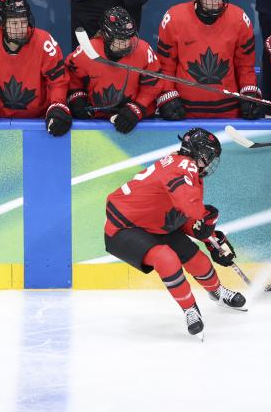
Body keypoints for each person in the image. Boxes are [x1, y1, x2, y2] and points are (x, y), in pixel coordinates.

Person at [104, 128, 246, 339]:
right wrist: (208, 220)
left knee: (199, 261)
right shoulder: (184, 168)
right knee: (166, 259)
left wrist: (210, 238)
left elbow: (180, 213)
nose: (208, 162)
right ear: (199, 153)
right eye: (208, 156)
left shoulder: (182, 165)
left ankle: (217, 292)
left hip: (153, 223)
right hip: (123, 227)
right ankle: (190, 309)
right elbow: (192, 210)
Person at [155, 0, 262, 119]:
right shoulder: (173, 19)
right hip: (185, 114)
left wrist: (249, 93)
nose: (216, 0)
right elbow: (165, 68)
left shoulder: (240, 19)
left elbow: (245, 67)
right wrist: (167, 96)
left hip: (228, 115)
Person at [0, 0, 71, 137]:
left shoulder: (44, 42)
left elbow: (57, 81)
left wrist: (58, 106)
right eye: (14, 23)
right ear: (2, 23)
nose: (20, 29)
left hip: (39, 122)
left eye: (23, 22)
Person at [65, 6, 163, 134]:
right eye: (121, 39)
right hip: (96, 120)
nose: (126, 43)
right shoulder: (86, 51)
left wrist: (138, 108)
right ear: (106, 35)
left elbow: (153, 85)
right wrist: (76, 97)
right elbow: (70, 76)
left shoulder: (144, 50)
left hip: (134, 120)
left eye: (128, 37)